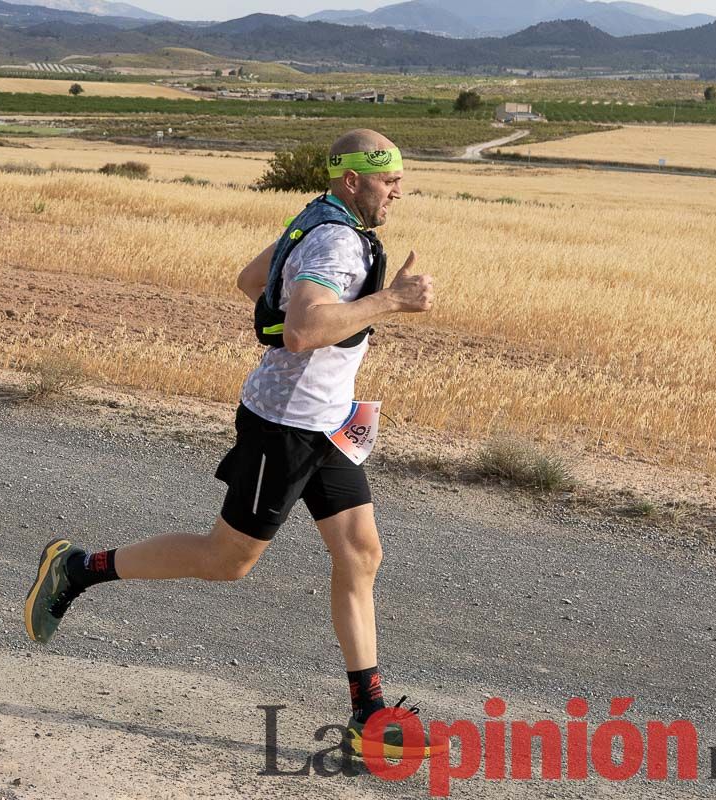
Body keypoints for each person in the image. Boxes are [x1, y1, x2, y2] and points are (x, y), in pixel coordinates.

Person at [23, 129, 443, 759]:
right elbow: (301, 330)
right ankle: (77, 568)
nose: (398, 193)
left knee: (360, 553)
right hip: (284, 426)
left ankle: (369, 715)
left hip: (327, 423)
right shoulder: (336, 238)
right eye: (389, 181)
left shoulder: (317, 219)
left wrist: (322, 305)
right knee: (228, 560)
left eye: (400, 181)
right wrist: (390, 301)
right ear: (352, 180)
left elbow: (252, 278)